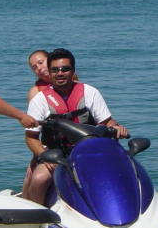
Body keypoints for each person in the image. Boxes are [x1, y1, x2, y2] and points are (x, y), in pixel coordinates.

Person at [23, 48, 129, 205]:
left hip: (90, 151)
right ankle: (35, 219)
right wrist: (45, 156)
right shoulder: (39, 100)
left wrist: (118, 128)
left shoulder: (89, 92)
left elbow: (107, 122)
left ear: (72, 70)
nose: (60, 73)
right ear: (50, 73)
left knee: (124, 169)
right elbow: (31, 137)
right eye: (55, 70)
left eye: (65, 69)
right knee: (38, 179)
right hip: (57, 155)